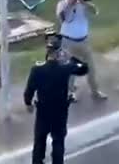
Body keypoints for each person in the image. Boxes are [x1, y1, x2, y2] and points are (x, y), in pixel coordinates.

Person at [24, 33, 90, 164]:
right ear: (59, 52)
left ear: (47, 51)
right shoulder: (66, 68)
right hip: (60, 112)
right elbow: (84, 69)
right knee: (58, 142)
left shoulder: (37, 70)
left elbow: (29, 90)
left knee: (39, 141)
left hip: (43, 112)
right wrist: (71, 58)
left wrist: (28, 103)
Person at [56, 0, 107, 101]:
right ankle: (70, 93)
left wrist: (83, 2)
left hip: (84, 41)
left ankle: (95, 92)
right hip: (68, 42)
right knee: (70, 71)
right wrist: (71, 5)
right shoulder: (62, 4)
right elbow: (63, 19)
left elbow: (95, 11)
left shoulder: (83, 3)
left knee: (91, 68)